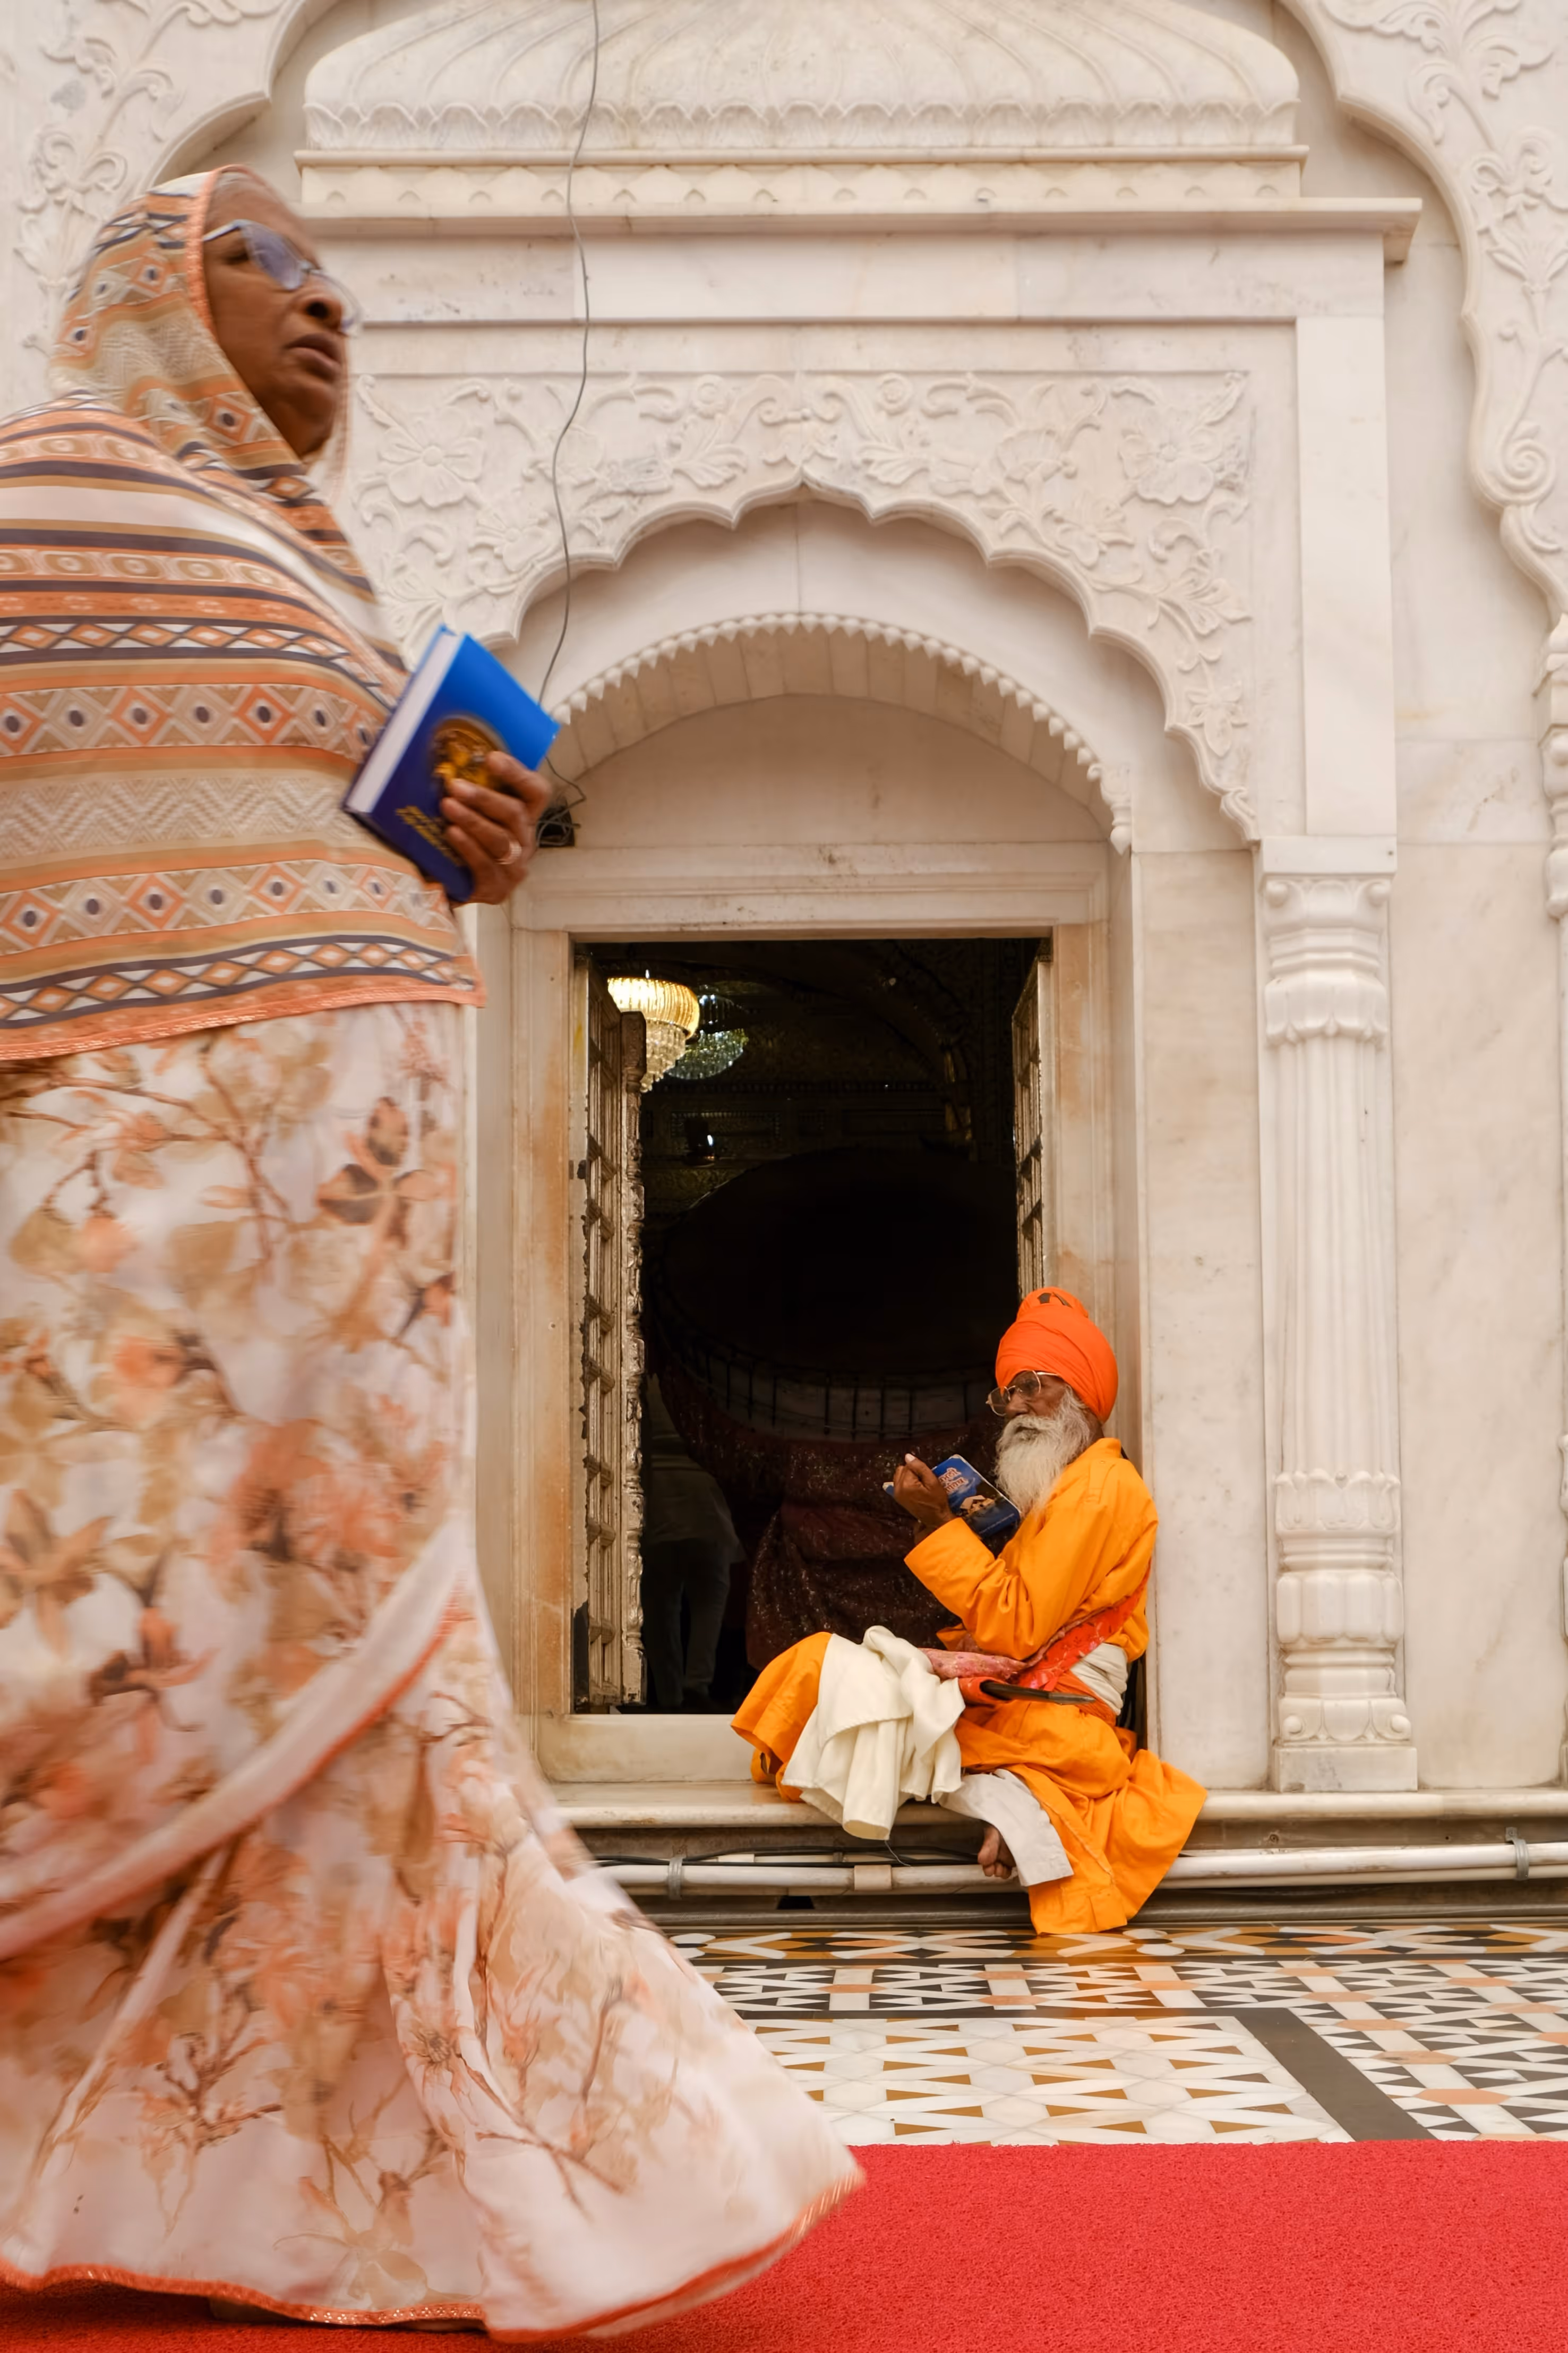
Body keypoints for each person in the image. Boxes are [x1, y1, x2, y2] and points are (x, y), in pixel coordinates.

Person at [0, 168, 855, 2334]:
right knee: (94, 1665)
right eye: (259, 262)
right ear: (141, 295)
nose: (321, 308)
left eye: (332, 276)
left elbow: (280, 848)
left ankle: (283, 2192)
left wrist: (453, 856)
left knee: (343, 1760)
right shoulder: (33, 506)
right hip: (118, 1264)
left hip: (334, 1319)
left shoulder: (308, 566)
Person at [735, 1288, 1206, 1931]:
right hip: (1020, 1693)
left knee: (824, 1669)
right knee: (826, 1669)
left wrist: (935, 1524)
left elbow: (1016, 1623)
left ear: (1076, 1391)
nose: (1013, 1407)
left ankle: (1021, 1805)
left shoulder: (1099, 1488)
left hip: (1051, 1706)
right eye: (1005, 1394)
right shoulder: (1066, 1489)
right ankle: (1015, 1806)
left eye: (1028, 1386)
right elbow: (1010, 1617)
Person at [640, 1377, 743, 1710]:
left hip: (658, 1496)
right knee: (709, 1598)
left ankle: (669, 1694)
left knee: (661, 1605)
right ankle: (696, 1685)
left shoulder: (639, 1382)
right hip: (705, 1499)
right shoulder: (701, 1378)